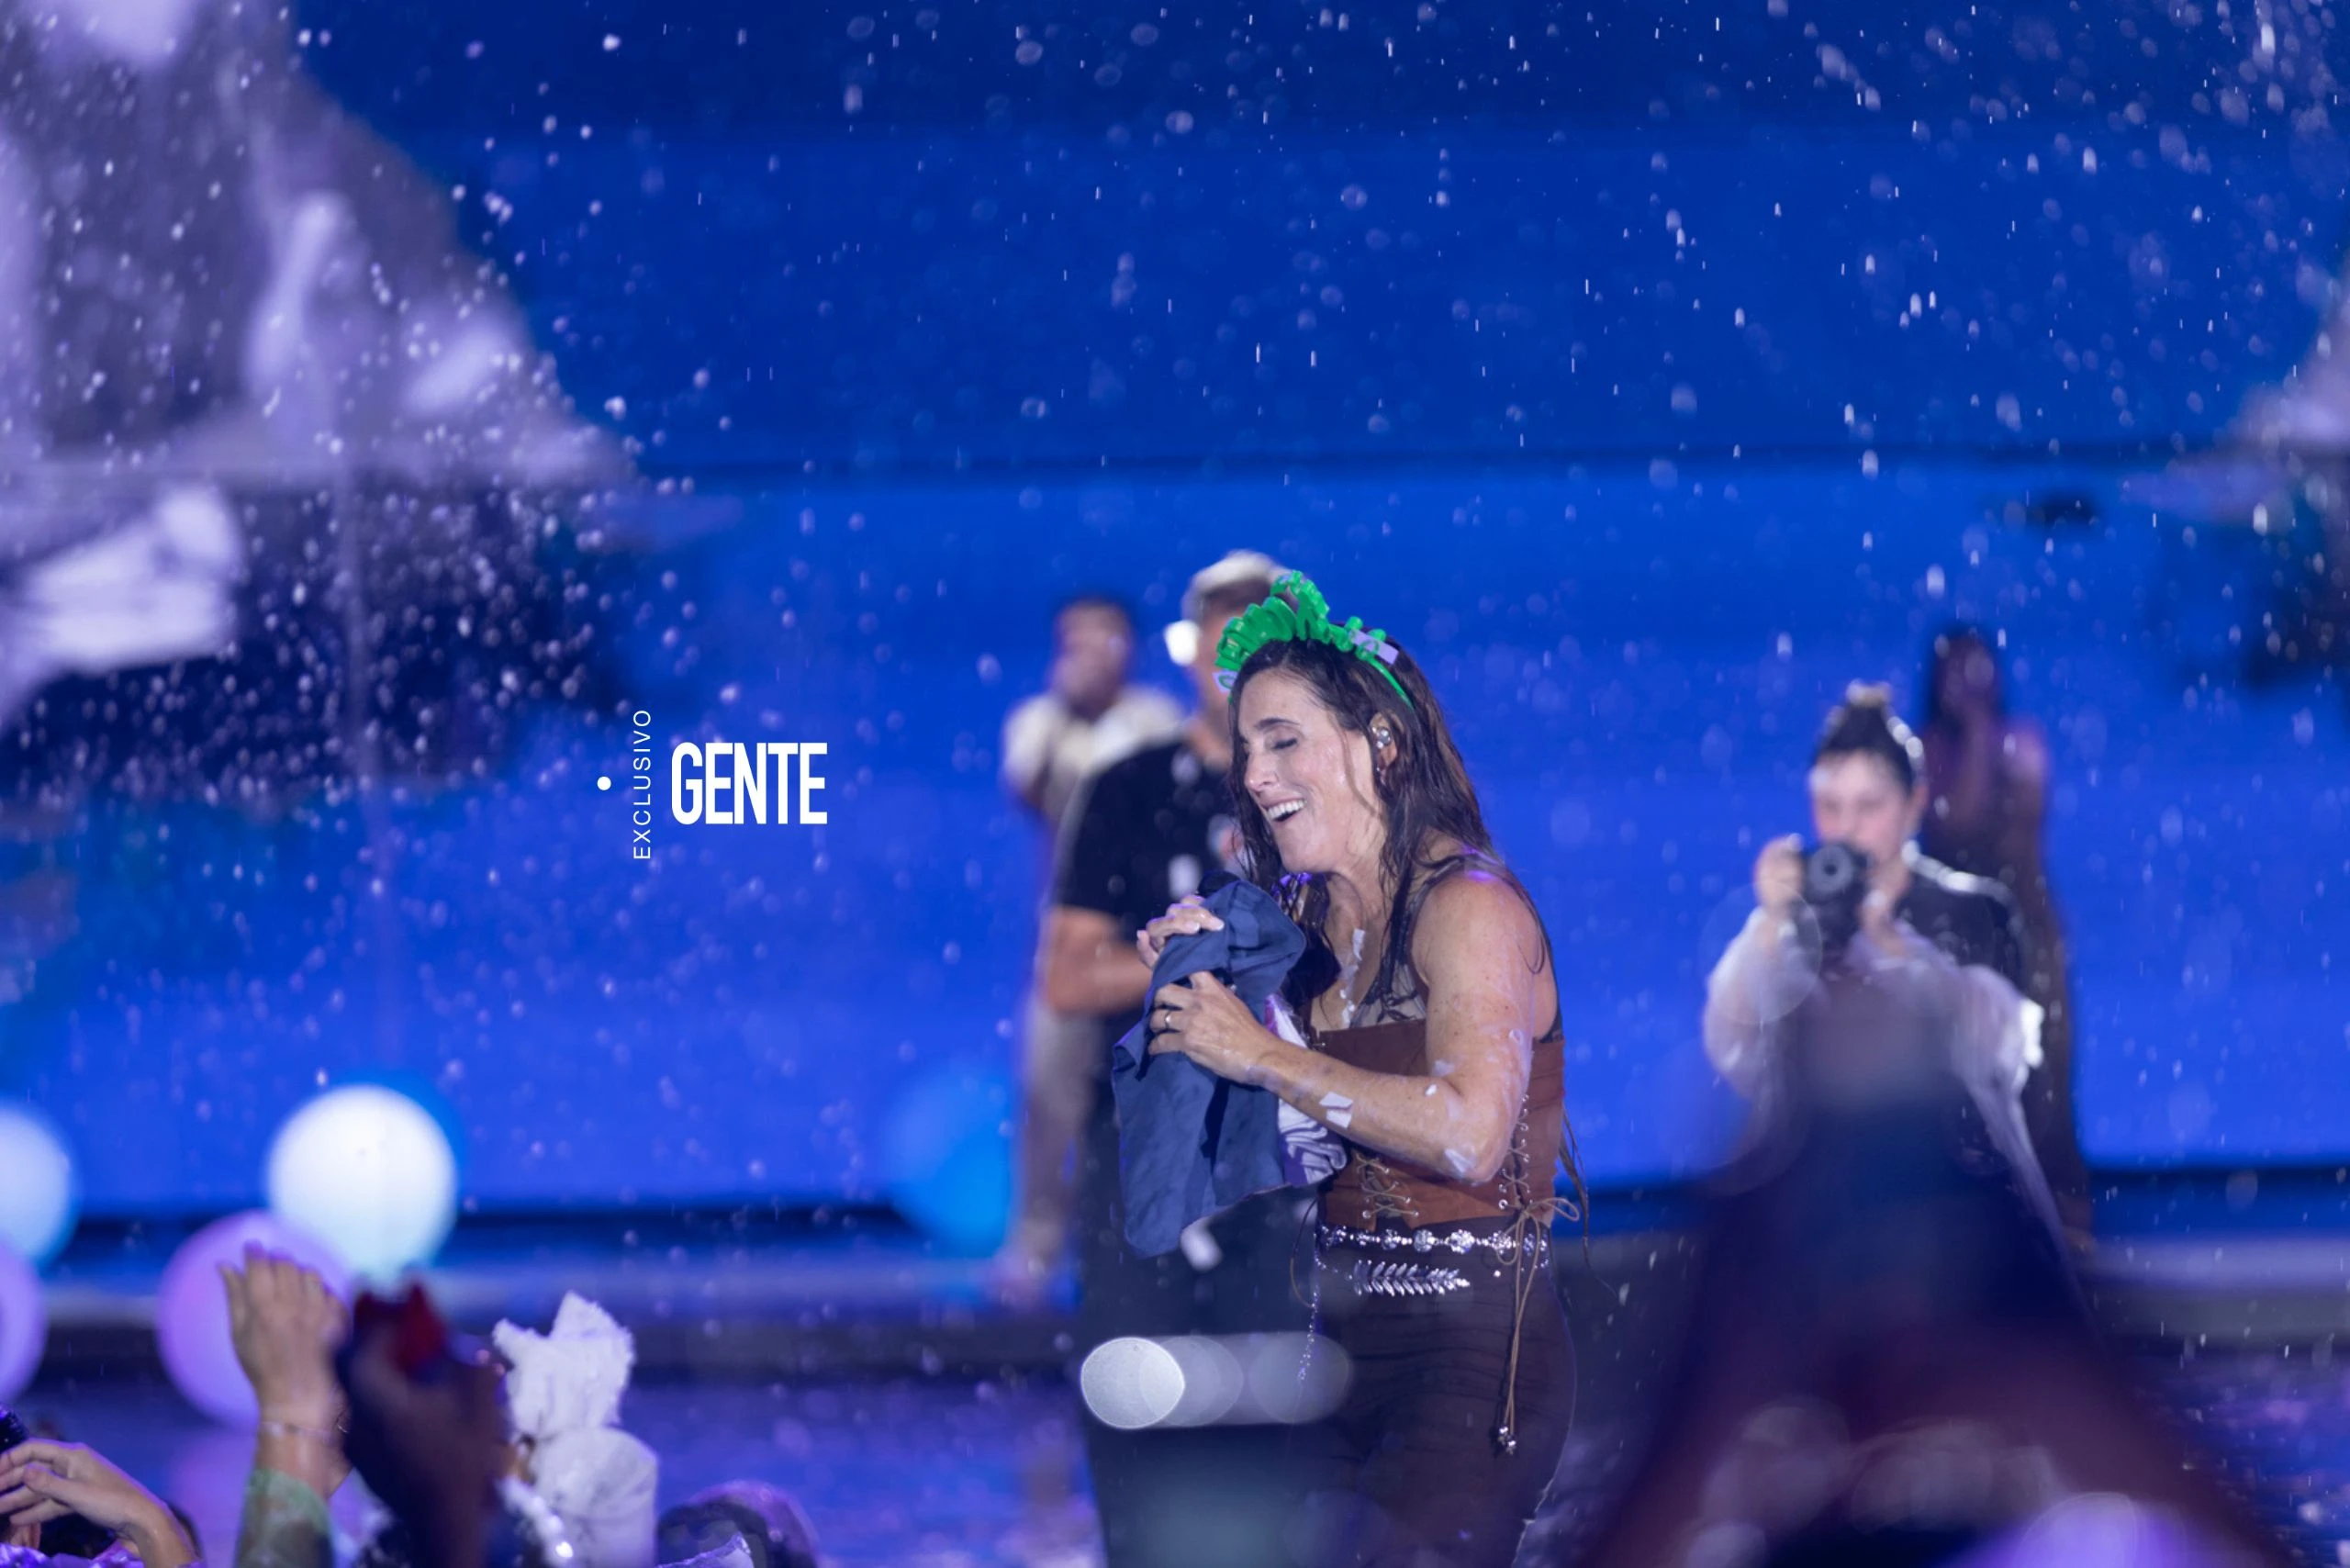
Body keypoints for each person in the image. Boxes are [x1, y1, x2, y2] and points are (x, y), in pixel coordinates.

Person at [1138, 572, 1581, 1568]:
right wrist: (1192, 995)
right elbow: (1238, 1148)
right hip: (1333, 1350)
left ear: (1379, 744)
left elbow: (1469, 1132)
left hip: (1474, 1361)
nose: (1253, 775)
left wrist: (1258, 1050)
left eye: (1283, 740)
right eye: (1245, 746)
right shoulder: (1296, 921)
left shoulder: (1468, 908)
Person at [1037, 549, 1307, 1568]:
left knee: (1293, 1413)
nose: (1233, 669)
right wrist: (1182, 958)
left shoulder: (1337, 794)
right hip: (1145, 1144)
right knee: (1134, 1393)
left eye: (1258, 646)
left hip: (1289, 1150)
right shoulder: (1127, 789)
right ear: (1187, 655)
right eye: (1214, 645)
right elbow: (1066, 975)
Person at [1703, 684, 2065, 1240]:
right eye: (1830, 807)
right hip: (1825, 1224)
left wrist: (1888, 942)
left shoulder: (1974, 909)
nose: (1847, 829)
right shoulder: (1794, 927)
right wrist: (1771, 924)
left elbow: (2000, 1051)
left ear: (1915, 804)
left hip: (1962, 1217)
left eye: (1869, 806)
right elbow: (1732, 1049)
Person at [995, 593, 1181, 1294]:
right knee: (1048, 1089)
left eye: (1105, 639)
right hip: (1071, 935)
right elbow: (1027, 792)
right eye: (1077, 640)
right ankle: (1037, 1243)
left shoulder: (1154, 721)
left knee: (1160, 1088)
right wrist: (1065, 714)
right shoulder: (1039, 723)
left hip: (1150, 934)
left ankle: (1158, 1241)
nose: (1092, 653)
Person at [1918, 627, 2091, 1226]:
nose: (1969, 685)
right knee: (1966, 1073)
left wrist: (1987, 734)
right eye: (1958, 673)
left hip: (2028, 917)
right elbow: (1955, 819)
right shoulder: (1930, 750)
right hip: (1959, 924)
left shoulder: (2022, 741)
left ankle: (2064, 1213)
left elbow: (2026, 815)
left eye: (1979, 670)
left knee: (2047, 1064)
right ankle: (1977, 1223)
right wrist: (1972, 734)